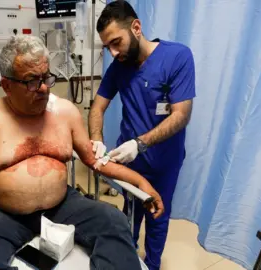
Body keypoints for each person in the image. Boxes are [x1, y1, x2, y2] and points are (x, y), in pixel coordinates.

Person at [0, 35, 165, 270]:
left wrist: (141, 182)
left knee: (113, 220)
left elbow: (94, 160)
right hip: (6, 214)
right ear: (7, 85)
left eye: (46, 77)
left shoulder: (65, 112)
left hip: (62, 206)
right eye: (32, 81)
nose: (44, 88)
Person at [89, 1, 196, 270]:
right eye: (107, 47)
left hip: (164, 162)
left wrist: (140, 143)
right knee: (130, 215)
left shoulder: (177, 57)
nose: (113, 53)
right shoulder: (119, 66)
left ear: (136, 28)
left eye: (116, 42)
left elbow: (181, 115)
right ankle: (127, 260)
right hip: (131, 163)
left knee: (157, 216)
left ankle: (152, 265)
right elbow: (97, 107)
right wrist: (96, 139)